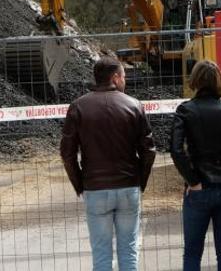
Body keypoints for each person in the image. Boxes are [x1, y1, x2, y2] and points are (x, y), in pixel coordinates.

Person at [60, 56, 156, 271]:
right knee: (129, 251)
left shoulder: (78, 107)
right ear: (115, 78)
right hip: (128, 186)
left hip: (95, 188)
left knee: (101, 253)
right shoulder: (134, 105)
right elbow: (149, 150)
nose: (125, 80)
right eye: (123, 76)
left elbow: (67, 153)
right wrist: (140, 180)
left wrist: (80, 184)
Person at [170, 60, 221, 271]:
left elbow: (176, 150)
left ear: (195, 80)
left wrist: (193, 180)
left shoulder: (185, 110)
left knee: (192, 252)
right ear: (219, 80)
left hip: (200, 189)